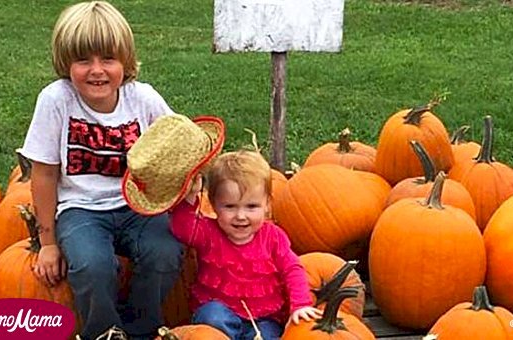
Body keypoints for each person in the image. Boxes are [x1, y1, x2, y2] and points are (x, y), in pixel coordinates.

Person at [20, 2, 184, 339]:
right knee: (92, 265)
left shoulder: (143, 99)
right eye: (84, 60)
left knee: (165, 252)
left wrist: (189, 176)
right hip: (80, 209)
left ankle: (141, 328)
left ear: (125, 61)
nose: (97, 70)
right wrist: (47, 243)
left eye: (108, 59)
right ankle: (105, 332)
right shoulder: (56, 101)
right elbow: (45, 173)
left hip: (138, 206)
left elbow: (177, 143)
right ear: (67, 63)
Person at [169, 150, 322, 340]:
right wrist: (190, 195)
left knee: (267, 336)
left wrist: (300, 305)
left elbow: (292, 269)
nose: (241, 216)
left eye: (251, 206)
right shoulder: (208, 233)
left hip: (264, 317)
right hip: (220, 312)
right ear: (214, 204)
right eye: (230, 206)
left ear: (267, 204)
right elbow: (182, 228)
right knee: (212, 318)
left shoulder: (273, 237)